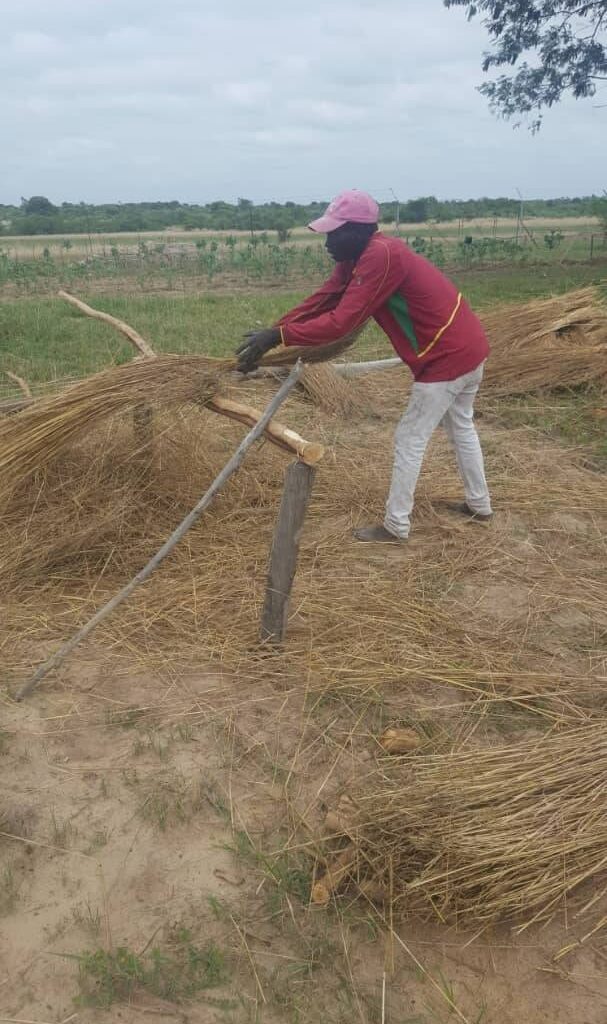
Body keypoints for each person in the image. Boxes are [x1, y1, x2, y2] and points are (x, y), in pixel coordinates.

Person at [236, 189, 492, 543]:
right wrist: (273, 334)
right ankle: (479, 505)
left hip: (445, 358)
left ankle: (396, 526)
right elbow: (324, 299)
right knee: (461, 425)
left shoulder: (380, 255)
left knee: (409, 439)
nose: (327, 241)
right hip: (468, 347)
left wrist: (279, 334)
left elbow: (341, 321)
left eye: (333, 233)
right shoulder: (357, 258)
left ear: (358, 230)